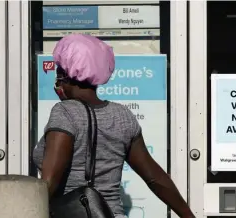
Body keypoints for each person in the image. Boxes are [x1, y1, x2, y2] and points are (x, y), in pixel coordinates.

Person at [33, 34, 194, 218]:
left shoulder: (65, 113)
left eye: (58, 70)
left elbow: (48, 184)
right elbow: (154, 177)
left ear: (65, 75)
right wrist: (189, 216)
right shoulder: (122, 116)